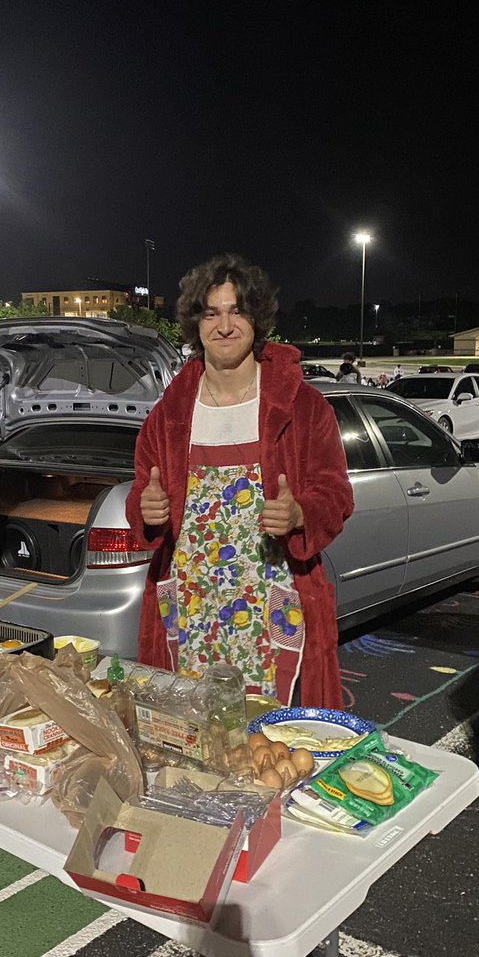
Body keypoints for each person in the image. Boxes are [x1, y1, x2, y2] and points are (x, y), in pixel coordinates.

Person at [125, 254, 354, 709]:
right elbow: (140, 493)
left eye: (237, 311)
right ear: (196, 324)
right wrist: (144, 510)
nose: (225, 325)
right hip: (189, 609)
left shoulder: (304, 408)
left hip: (273, 604)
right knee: (194, 736)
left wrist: (300, 512)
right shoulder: (168, 416)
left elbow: (336, 494)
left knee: (274, 743)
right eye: (211, 313)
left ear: (256, 319)